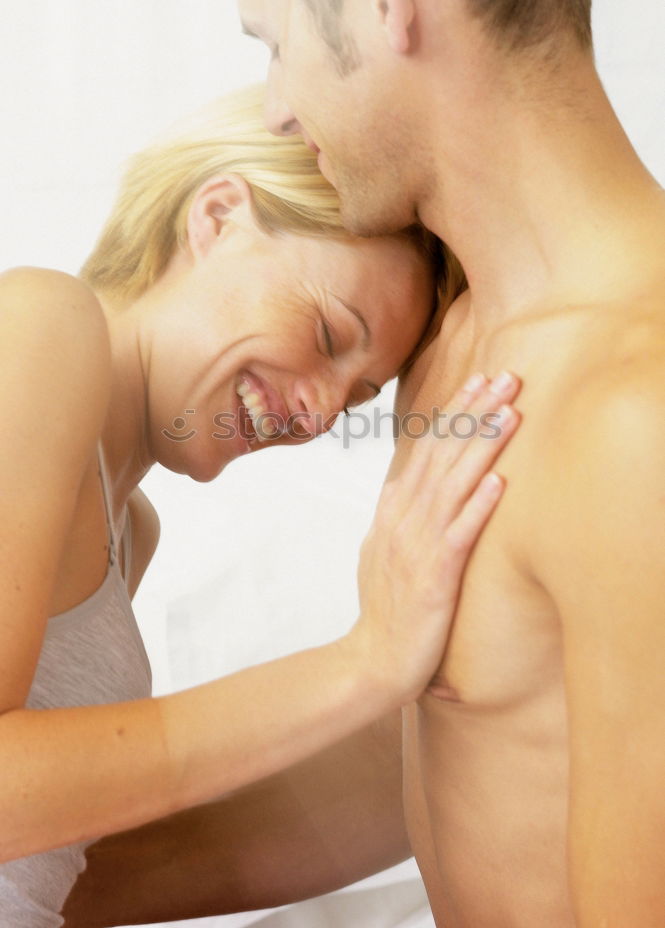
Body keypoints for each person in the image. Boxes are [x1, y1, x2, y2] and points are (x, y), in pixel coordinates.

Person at [63, 0, 665, 926]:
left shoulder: (631, 415)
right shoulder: (451, 339)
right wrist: (54, 895)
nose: (276, 108)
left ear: (382, 0)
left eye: (272, 40)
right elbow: (465, 738)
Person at [0, 82, 520, 927]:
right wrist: (363, 661)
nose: (316, 412)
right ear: (217, 216)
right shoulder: (41, 323)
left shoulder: (129, 528)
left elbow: (51, 865)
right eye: (325, 334)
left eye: (355, 398)